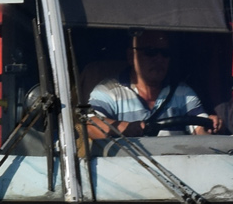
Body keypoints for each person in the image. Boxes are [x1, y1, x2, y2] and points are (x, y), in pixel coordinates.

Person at [85, 30, 220, 138]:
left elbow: (199, 128)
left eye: (165, 53)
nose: (159, 59)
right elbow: (90, 126)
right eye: (151, 52)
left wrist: (210, 125)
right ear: (131, 56)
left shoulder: (182, 92)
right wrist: (127, 128)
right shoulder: (108, 91)